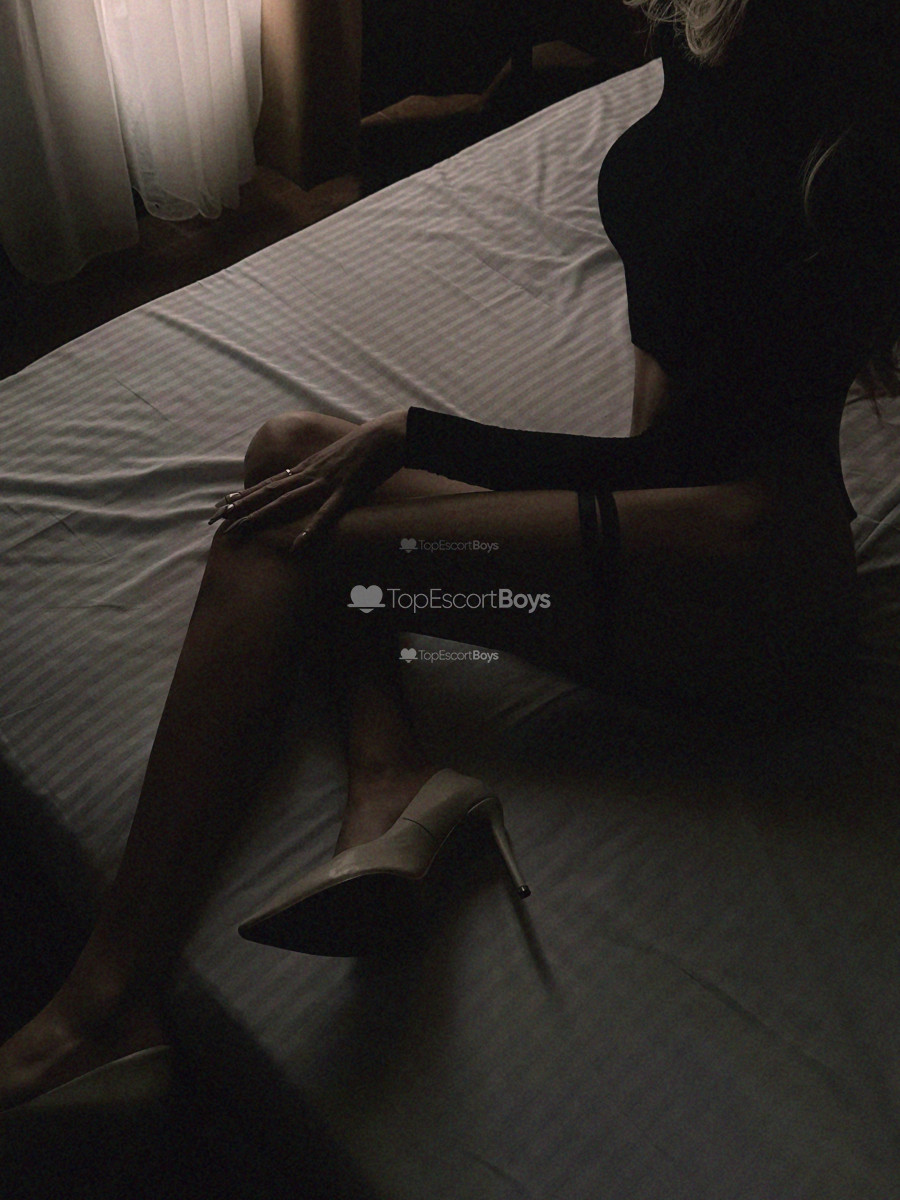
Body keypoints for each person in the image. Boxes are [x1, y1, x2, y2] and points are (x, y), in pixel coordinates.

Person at [1, 0, 897, 1115]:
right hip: (665, 510)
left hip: (749, 575)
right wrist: (409, 448)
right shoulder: (706, 31)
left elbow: (680, 451)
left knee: (291, 538)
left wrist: (414, 435)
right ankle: (392, 777)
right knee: (291, 456)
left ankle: (99, 1013)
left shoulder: (853, 126)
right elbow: (668, 396)